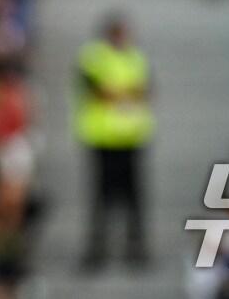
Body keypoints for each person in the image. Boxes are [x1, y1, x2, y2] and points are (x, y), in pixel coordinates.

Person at [73, 14, 153, 270]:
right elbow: (96, 89)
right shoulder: (93, 56)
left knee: (134, 198)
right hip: (103, 138)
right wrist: (125, 93)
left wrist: (119, 93)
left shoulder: (135, 57)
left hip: (131, 137)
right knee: (101, 197)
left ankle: (135, 247)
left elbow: (146, 90)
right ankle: (97, 248)